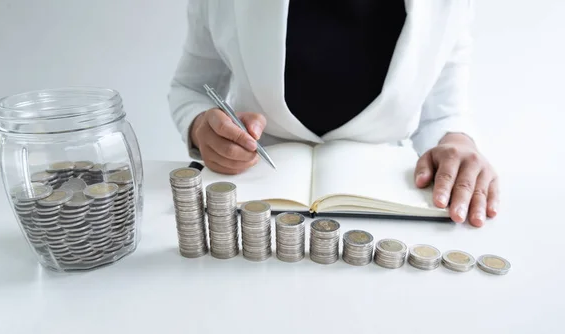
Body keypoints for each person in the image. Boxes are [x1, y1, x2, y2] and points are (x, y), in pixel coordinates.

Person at [167, 0, 499, 227]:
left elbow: (444, 113)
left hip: (386, 207)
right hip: (254, 204)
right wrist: (201, 128)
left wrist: (458, 142)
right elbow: (191, 88)